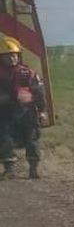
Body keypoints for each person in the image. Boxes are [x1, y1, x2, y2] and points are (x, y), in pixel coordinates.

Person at [0, 36, 47, 180]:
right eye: (8, 56)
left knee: (32, 140)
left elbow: (39, 92)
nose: (12, 58)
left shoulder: (28, 73)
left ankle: (33, 169)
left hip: (27, 113)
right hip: (6, 113)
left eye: (14, 55)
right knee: (5, 139)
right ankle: (9, 169)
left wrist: (43, 111)